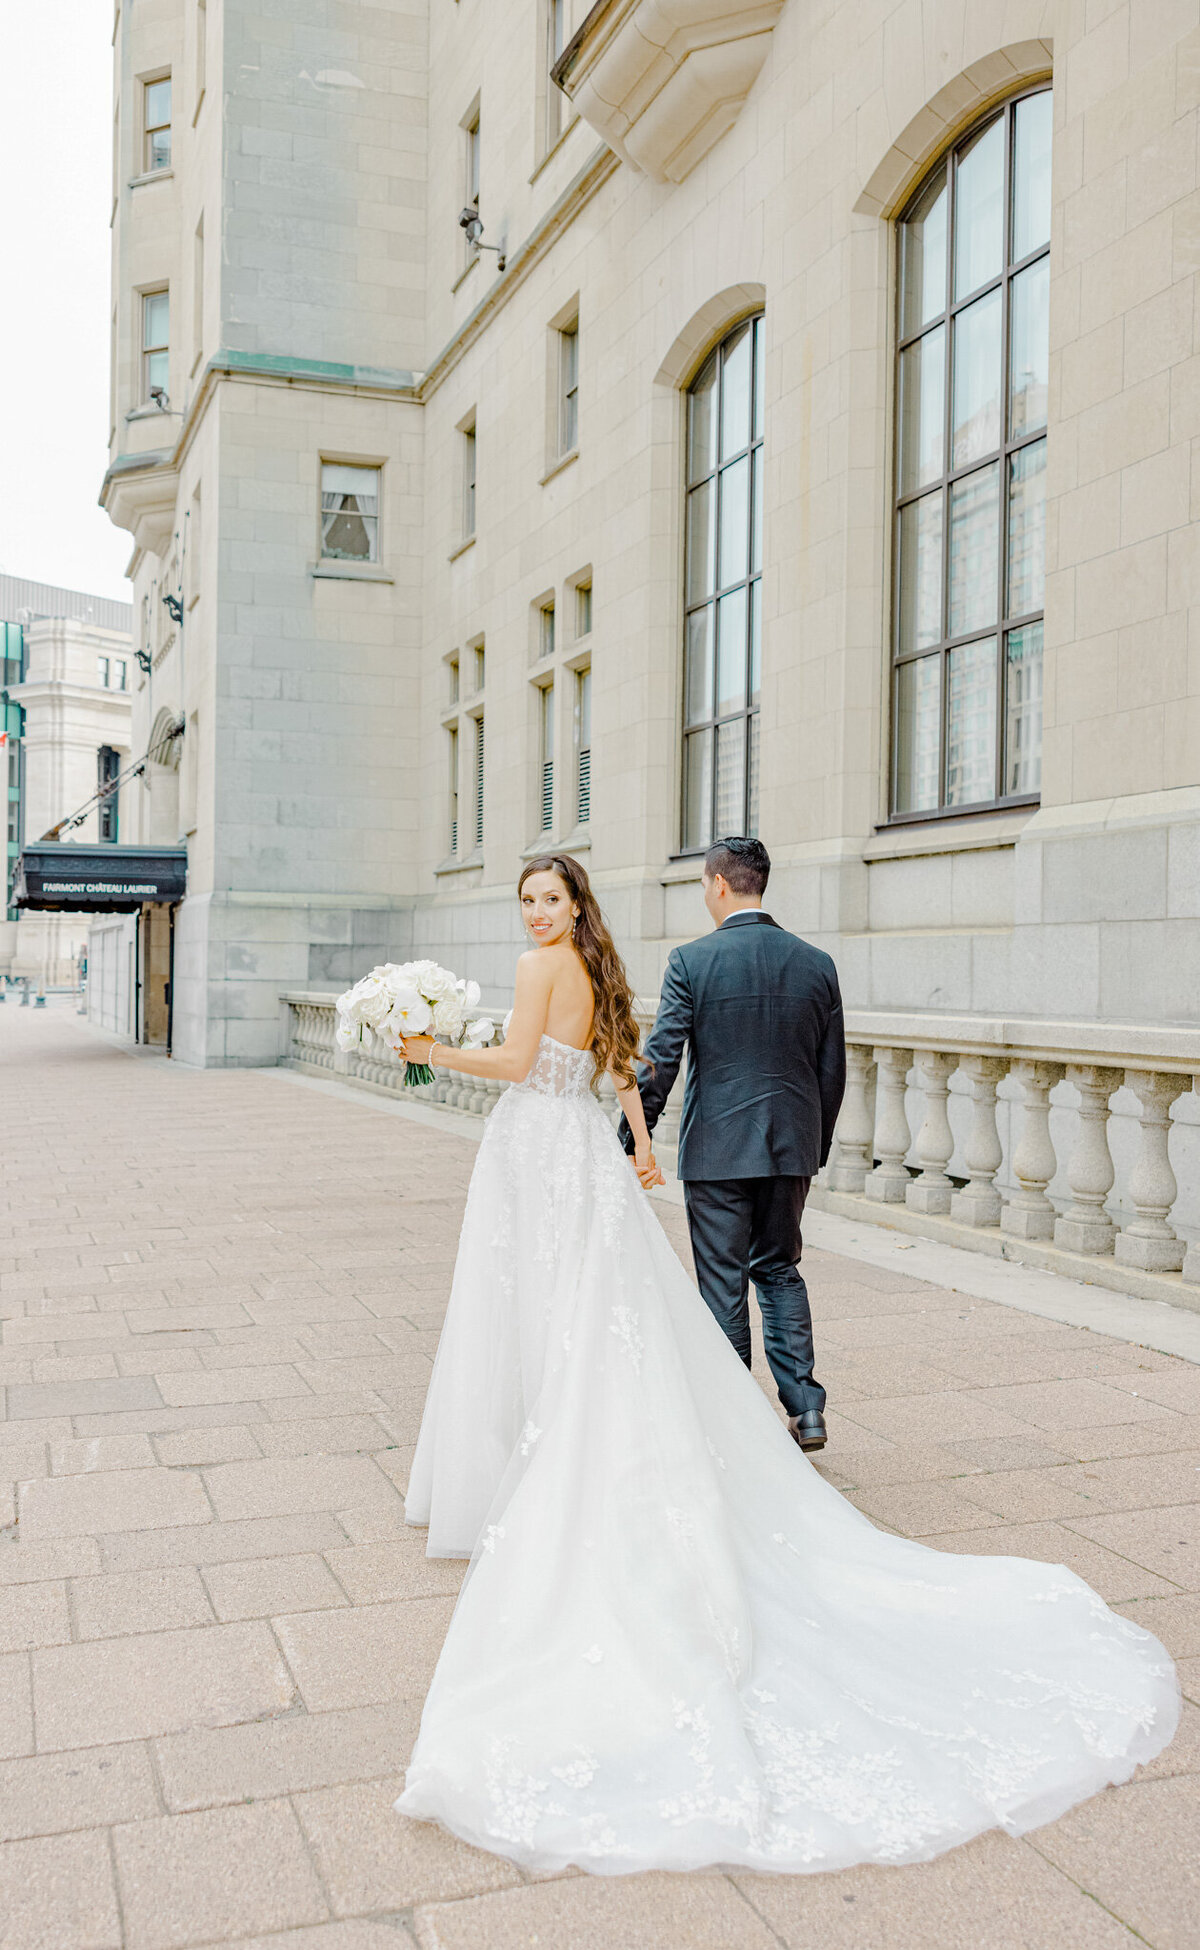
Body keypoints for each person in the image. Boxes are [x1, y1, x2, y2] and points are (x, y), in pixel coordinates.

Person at [390, 852, 1178, 1877]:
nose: (538, 912)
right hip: (758, 1145)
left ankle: (717, 1411)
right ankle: (795, 1405)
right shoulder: (770, 962)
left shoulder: (625, 965)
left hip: (646, 1149)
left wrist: (432, 1050)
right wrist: (659, 1143)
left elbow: (590, 1058)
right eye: (531, 900)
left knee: (686, 1295)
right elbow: (679, 1061)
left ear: (711, 887)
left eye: (549, 898)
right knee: (764, 1276)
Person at [620, 836, 843, 1453]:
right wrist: (812, 1146)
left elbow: (662, 1058)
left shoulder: (692, 961)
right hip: (791, 1147)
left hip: (718, 1149)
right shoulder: (816, 962)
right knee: (779, 1269)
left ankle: (736, 1418)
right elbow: (832, 1071)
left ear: (718, 885)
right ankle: (806, 1409)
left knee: (721, 1282)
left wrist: (629, 1137)